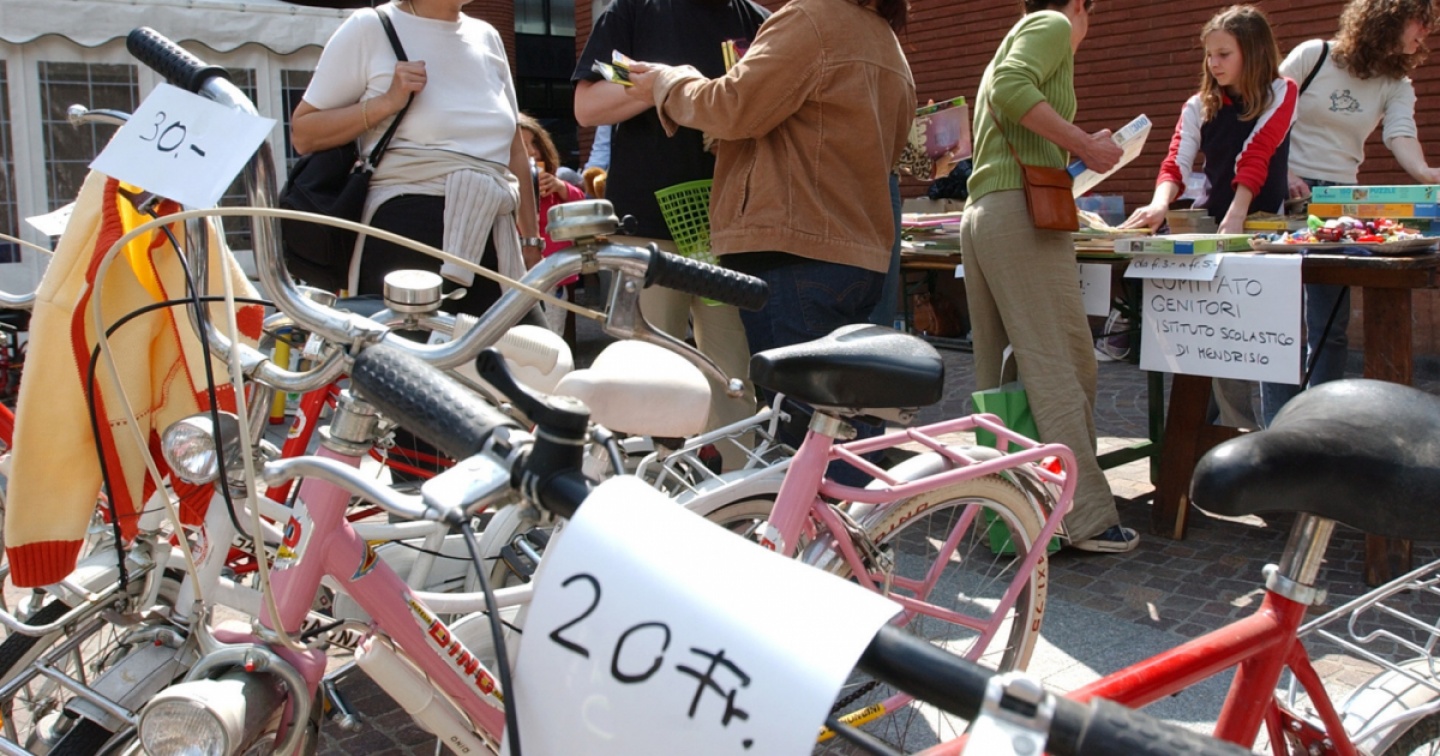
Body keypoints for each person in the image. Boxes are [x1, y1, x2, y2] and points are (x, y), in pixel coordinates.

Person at [962, 0, 1132, 552]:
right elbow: (1010, 89)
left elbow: (1007, 95)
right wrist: (1083, 143)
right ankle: (1085, 518)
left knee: (1001, 370)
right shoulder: (1052, 24)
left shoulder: (1016, 34)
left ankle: (1008, 511)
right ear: (1080, 5)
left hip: (989, 211)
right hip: (1022, 214)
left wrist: (1075, 150)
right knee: (1061, 364)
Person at [572, 0, 770, 466]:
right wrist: (669, 84)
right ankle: (637, 488)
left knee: (732, 375)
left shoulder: (760, 22)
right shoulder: (634, 11)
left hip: (728, 230)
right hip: (646, 227)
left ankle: (739, 495)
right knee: (645, 372)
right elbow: (586, 106)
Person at [291, 0, 543, 319]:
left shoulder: (488, 36)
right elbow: (304, 132)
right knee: (412, 352)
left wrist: (531, 240)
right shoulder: (371, 27)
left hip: (493, 231)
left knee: (533, 349)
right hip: (406, 234)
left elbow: (515, 148)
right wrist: (386, 103)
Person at [1259, 0, 1440, 426]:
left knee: (1330, 325)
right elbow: (1265, 112)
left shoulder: (1396, 83)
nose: (1425, 35)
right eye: (1422, 23)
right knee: (1279, 324)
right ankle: (1277, 430)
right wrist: (1283, 173)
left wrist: (1425, 173)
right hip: (1285, 195)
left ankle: (1321, 426)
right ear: (1389, 18)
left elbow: (1401, 133)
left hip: (1338, 203)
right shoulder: (1314, 55)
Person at [1121, 4, 1297, 434]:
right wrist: (1159, 204)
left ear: (1253, 52)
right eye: (1209, 55)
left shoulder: (1282, 91)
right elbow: (1175, 163)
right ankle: (1228, 431)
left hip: (1259, 225)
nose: (1214, 64)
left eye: (1224, 54)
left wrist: (1237, 214)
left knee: (1264, 334)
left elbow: (1257, 154)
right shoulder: (1199, 104)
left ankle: (1267, 433)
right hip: (1214, 223)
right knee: (1215, 334)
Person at [518, 113, 587, 334]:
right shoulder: (504, 187)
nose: (532, 152)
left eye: (534, 143)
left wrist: (561, 187)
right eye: (523, 145)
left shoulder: (553, 186)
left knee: (552, 333)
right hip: (517, 276)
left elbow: (581, 207)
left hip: (554, 277)